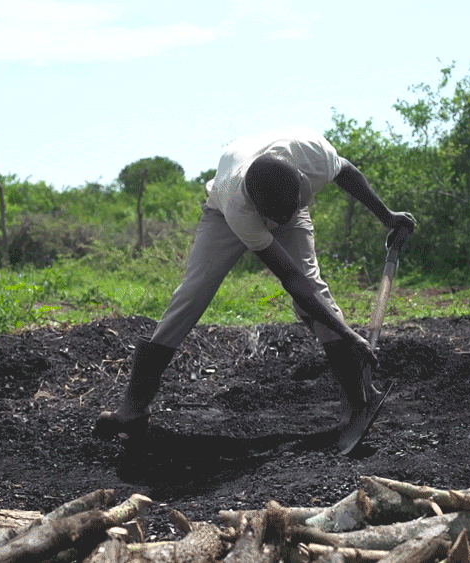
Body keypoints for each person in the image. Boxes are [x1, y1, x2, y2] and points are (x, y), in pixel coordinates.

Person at [93, 129, 416, 453]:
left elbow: (346, 170)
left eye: (285, 213)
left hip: (280, 197)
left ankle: (357, 401)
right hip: (222, 214)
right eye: (272, 218)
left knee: (315, 290)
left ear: (302, 184)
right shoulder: (240, 208)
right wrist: (351, 336)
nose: (278, 223)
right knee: (193, 294)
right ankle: (132, 409)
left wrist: (387, 216)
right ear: (259, 206)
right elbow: (290, 278)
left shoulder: (313, 155)